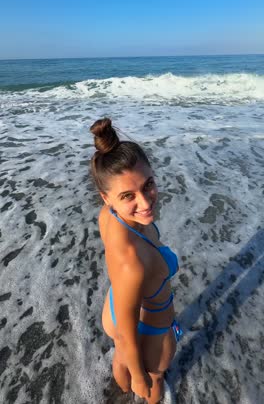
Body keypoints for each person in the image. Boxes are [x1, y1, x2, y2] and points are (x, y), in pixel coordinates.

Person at [90, 117, 182, 403]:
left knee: (121, 353)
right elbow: (131, 336)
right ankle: (137, 389)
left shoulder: (109, 215)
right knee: (153, 377)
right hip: (150, 323)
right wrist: (141, 375)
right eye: (128, 195)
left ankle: (123, 390)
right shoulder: (133, 265)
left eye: (148, 185)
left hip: (116, 308)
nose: (145, 202)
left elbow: (124, 329)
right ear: (105, 196)